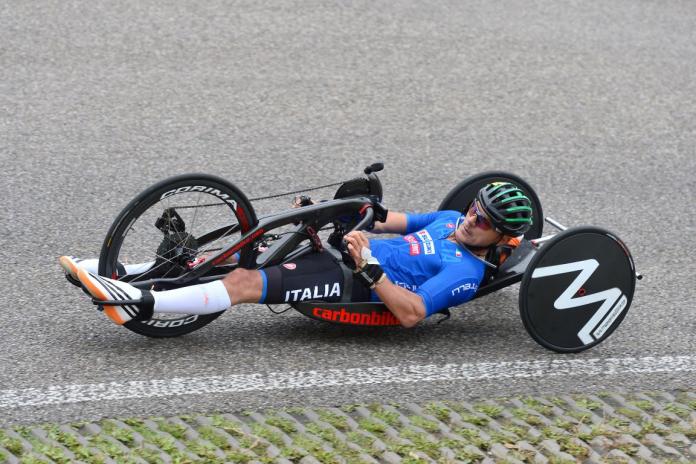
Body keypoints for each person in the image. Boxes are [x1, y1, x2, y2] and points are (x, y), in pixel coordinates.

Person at [60, 182, 533, 328]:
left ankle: (137, 303)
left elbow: (411, 314)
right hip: (344, 249)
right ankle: (118, 272)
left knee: (245, 284)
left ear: (501, 239)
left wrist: (369, 266)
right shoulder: (449, 222)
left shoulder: (465, 273)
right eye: (476, 208)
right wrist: (342, 208)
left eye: (486, 221)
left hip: (351, 281)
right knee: (242, 250)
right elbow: (386, 217)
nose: (473, 218)